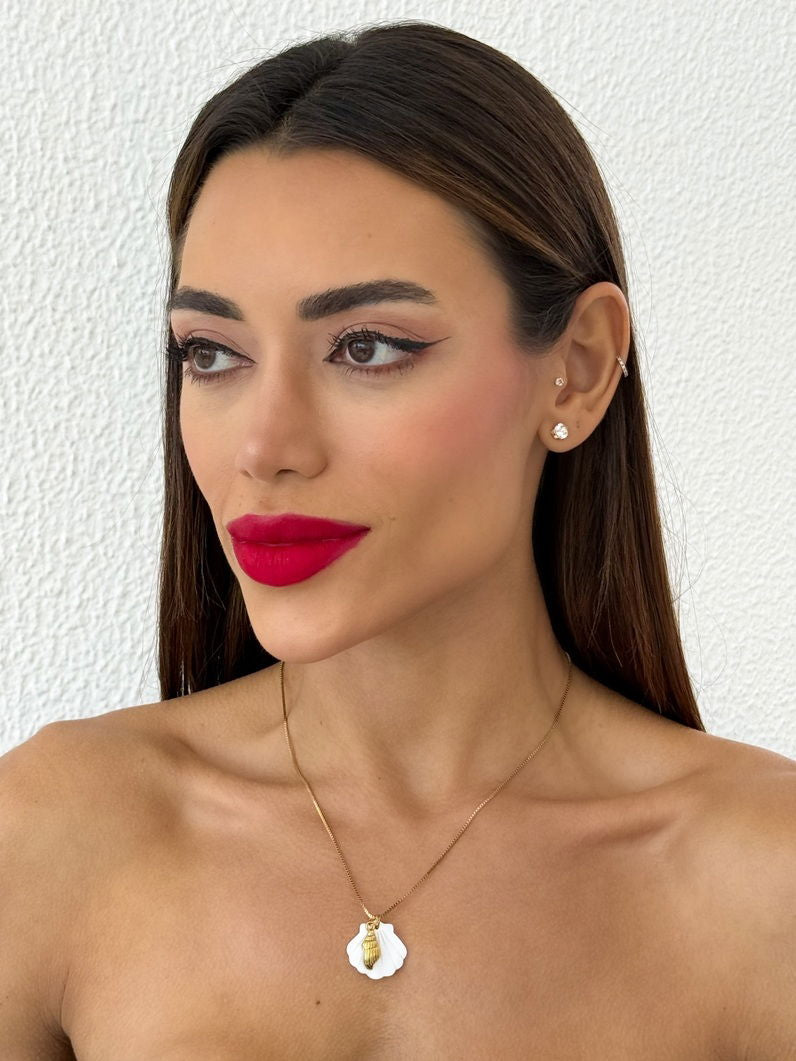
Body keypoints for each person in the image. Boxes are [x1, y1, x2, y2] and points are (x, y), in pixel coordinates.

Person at [2, 20, 794, 1060]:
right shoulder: (50, 835)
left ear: (578, 368)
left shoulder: (766, 883)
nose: (266, 449)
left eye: (366, 347)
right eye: (213, 354)